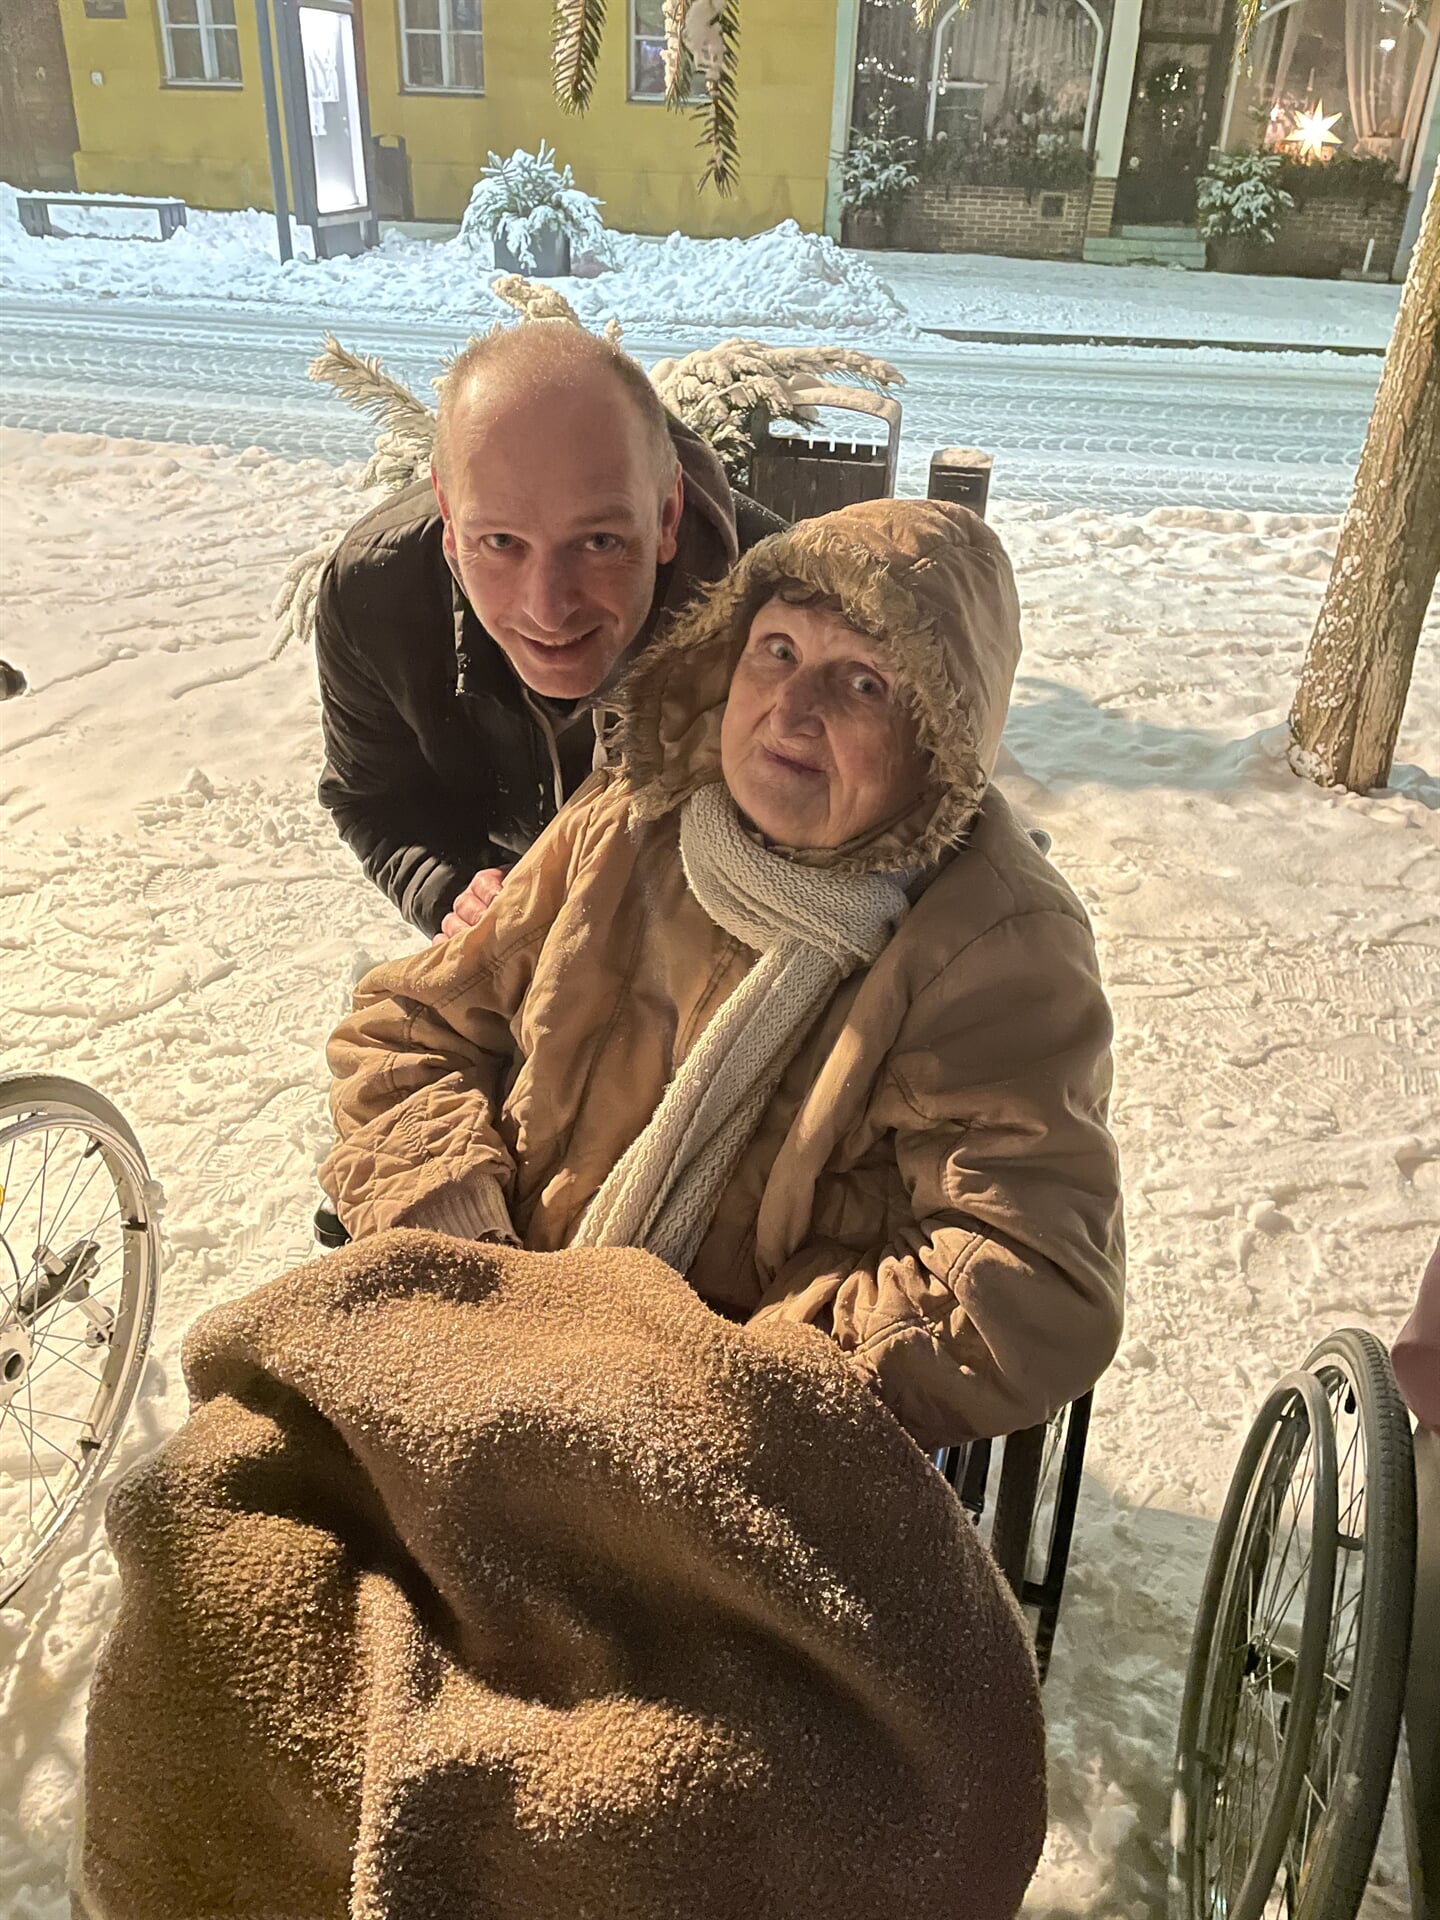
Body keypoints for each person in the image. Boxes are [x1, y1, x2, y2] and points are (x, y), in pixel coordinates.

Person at [321, 497, 1126, 1446]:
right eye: (777, 651)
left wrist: (717, 1380)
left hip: (724, 1435)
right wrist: (463, 1230)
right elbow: (407, 1031)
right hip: (485, 1324)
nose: (793, 709)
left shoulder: (995, 944)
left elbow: (1027, 1283)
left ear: (939, 740)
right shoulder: (630, 818)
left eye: (863, 682)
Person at [314, 321, 784, 941]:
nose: (549, 612)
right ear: (449, 517)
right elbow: (375, 797)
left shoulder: (785, 618)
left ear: (668, 515)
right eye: (501, 542)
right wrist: (454, 891)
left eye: (599, 541)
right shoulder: (377, 592)